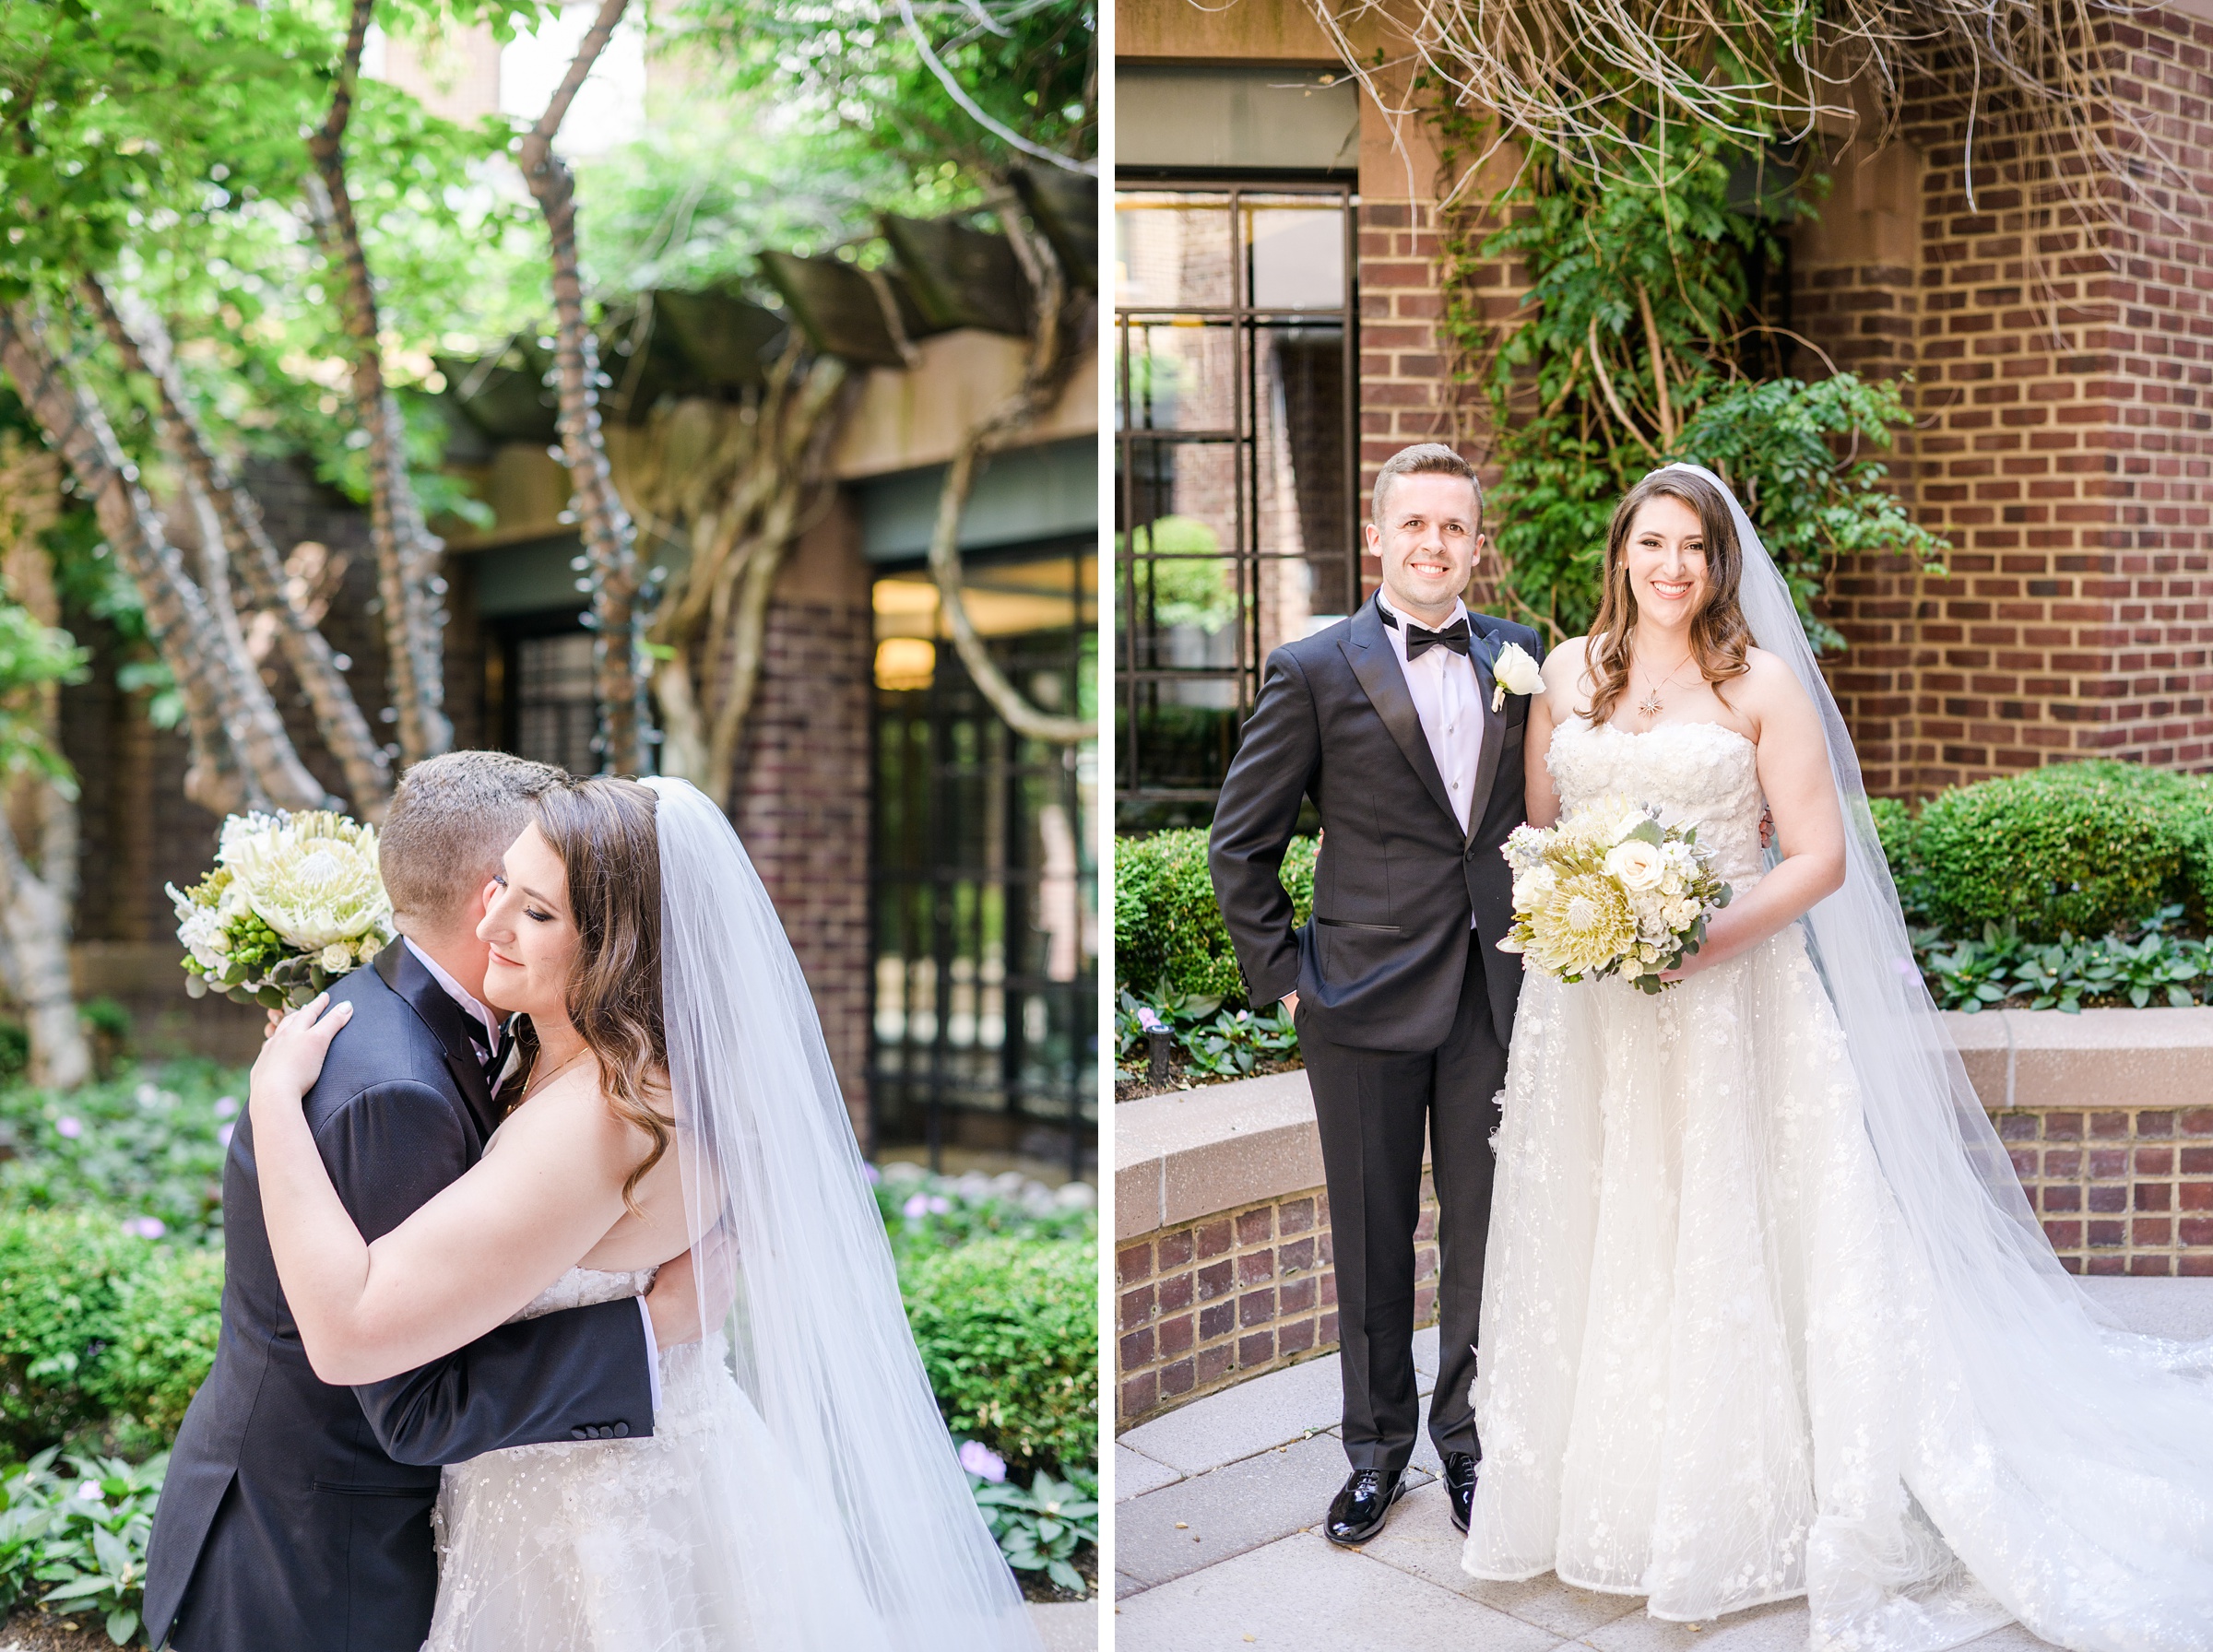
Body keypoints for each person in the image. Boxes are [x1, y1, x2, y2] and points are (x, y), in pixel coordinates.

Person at [1463, 463, 2213, 1648]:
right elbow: (1541, 837)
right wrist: (1584, 911)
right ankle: (1600, 1499)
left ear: (1718, 565)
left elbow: (1817, 859)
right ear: (1620, 554)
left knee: (1729, 1225)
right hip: (1592, 1012)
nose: (1670, 567)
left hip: (1728, 1001)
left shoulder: (1758, 683)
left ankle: (1736, 1505)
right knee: (1606, 1228)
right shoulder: (1564, 674)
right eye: (1650, 544)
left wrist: (1700, 934)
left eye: (1693, 550)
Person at [243, 773, 1036, 1651]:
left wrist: (274, 1100)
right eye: (502, 885)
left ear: (621, 947)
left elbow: (351, 1331)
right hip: (626, 1471)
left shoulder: (599, 1117)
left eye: (537, 914)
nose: (490, 922)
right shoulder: (596, 1056)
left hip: (592, 1526)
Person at [145, 751, 690, 1652]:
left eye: (540, 898)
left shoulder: (504, 1041)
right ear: (485, 891)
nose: (507, 915)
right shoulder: (396, 1087)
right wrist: (652, 1326)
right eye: (512, 887)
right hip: (322, 1570)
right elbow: (405, 1393)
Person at [1208, 442, 1544, 1544]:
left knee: (1485, 1238)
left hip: (1493, 994)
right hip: (1356, 1004)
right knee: (1371, 1235)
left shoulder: (1522, 655)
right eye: (1415, 525)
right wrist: (1288, 984)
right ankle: (1374, 1452)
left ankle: (1470, 1444)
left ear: (1476, 542)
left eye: (1454, 526)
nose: (1434, 544)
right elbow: (1239, 845)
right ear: (1377, 536)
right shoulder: (1311, 669)